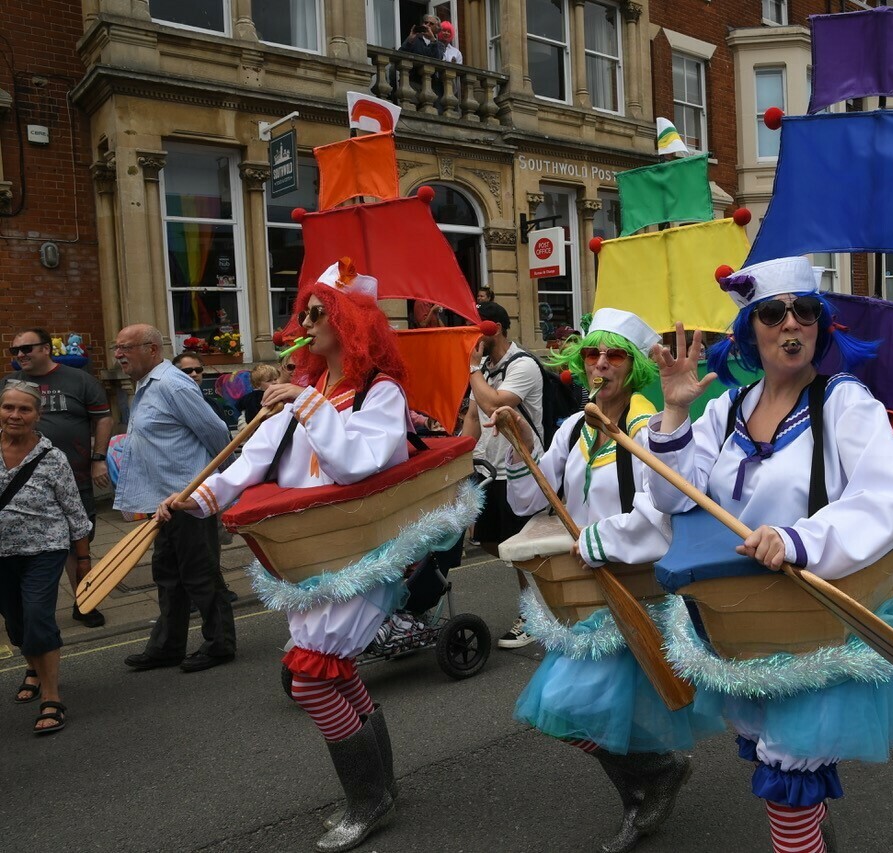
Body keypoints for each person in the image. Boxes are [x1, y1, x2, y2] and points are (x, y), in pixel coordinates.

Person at [156, 261, 454, 853]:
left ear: (350, 323)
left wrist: (306, 407)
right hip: (304, 557)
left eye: (319, 313)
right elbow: (249, 462)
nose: (306, 323)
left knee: (311, 681)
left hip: (360, 552)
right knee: (332, 673)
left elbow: (356, 464)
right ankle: (381, 789)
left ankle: (366, 801)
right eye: (308, 312)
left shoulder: (381, 392)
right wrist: (195, 499)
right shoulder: (310, 391)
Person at [646, 257, 893, 853]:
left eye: (806, 311)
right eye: (774, 312)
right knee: (775, 761)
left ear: (821, 325)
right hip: (739, 620)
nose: (790, 323)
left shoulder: (845, 403)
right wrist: (674, 412)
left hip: (813, 619)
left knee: (788, 775)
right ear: (751, 328)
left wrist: (799, 540)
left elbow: (887, 501)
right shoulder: (727, 409)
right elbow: (670, 495)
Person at [491, 309, 721, 853]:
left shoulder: (647, 429)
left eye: (613, 354)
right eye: (591, 353)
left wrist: (598, 540)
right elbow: (532, 500)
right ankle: (655, 778)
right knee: (585, 717)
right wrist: (523, 441)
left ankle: (648, 788)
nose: (599, 364)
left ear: (634, 366)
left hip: (636, 592)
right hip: (584, 600)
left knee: (580, 710)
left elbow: (661, 518)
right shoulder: (573, 427)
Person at [112, 325, 236, 673]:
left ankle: (220, 644)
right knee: (168, 576)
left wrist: (217, 487)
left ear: (152, 349)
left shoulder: (172, 384)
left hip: (186, 499)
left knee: (200, 575)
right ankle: (168, 646)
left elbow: (217, 434)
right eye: (116, 348)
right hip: (160, 501)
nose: (118, 354)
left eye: (126, 347)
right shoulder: (145, 385)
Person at [0, 380, 92, 735]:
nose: (15, 415)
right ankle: (34, 668)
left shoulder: (53, 458)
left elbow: (73, 510)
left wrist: (82, 559)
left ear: (38, 415)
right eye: (9, 407)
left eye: (24, 409)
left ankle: (51, 698)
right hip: (2, 554)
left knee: (38, 616)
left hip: (45, 549)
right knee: (17, 623)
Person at [7, 328, 113, 628]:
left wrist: (98, 459)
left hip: (74, 475)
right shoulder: (9, 384)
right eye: (15, 351)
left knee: (78, 543)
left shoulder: (79, 380)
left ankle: (85, 602)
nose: (20, 356)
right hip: (20, 483)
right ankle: (28, 608)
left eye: (26, 349)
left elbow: (103, 418)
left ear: (46, 349)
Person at [461, 300, 544, 649]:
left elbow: (496, 403)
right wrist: (456, 459)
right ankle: (540, 593)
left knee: (520, 547)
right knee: (491, 541)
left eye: (476, 329)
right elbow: (472, 416)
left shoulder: (522, 365)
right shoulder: (484, 371)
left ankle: (535, 613)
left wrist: (473, 369)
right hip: (489, 470)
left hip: (519, 470)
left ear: (493, 328)